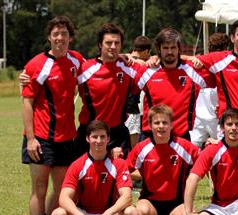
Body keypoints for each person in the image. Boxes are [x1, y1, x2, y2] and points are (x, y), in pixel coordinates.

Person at [21, 15, 85, 215]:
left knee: (60, 193)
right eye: (56, 34)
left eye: (64, 34)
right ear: (49, 37)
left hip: (66, 138)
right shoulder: (37, 65)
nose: (60, 38)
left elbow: (98, 64)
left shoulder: (76, 60)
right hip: (41, 138)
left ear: (70, 37)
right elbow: (27, 102)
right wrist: (31, 139)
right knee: (39, 189)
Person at [50, 120, 139, 215]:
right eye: (94, 137)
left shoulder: (118, 164)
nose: (99, 141)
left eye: (103, 137)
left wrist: (108, 213)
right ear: (87, 138)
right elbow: (63, 198)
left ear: (108, 139)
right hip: (84, 214)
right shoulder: (77, 165)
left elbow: (127, 197)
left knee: (132, 213)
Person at [126, 104, 200, 215]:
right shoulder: (142, 148)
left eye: (165, 122)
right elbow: (124, 172)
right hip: (150, 202)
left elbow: (202, 167)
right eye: (157, 123)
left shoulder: (184, 147)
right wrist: (144, 174)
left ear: (172, 124)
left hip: (176, 203)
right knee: (139, 213)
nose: (161, 126)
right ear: (149, 125)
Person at [76, 23, 141, 159]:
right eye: (108, 43)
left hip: (117, 134)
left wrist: (154, 58)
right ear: (100, 44)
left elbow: (160, 68)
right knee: (85, 178)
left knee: (121, 176)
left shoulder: (129, 68)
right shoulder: (84, 69)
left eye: (117, 43)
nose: (113, 46)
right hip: (89, 132)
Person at [136, 28, 210, 141]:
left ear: (179, 49)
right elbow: (122, 63)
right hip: (150, 137)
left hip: (181, 137)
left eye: (173, 48)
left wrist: (199, 59)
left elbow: (222, 70)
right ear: (159, 50)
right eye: (165, 48)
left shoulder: (193, 70)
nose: (169, 52)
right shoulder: (148, 70)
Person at [190, 33, 229, 147]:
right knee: (222, 150)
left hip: (200, 117)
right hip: (217, 117)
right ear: (226, 48)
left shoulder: (199, 63)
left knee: (192, 150)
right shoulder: (227, 65)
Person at [125, 36, 151, 148]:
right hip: (132, 109)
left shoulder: (124, 59)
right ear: (145, 51)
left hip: (120, 110)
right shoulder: (141, 64)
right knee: (133, 148)